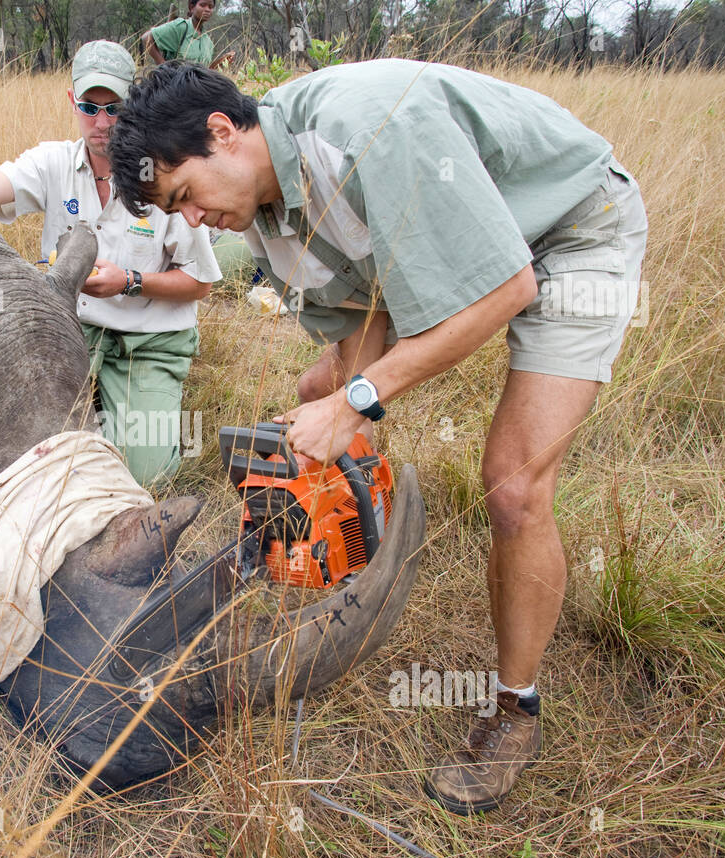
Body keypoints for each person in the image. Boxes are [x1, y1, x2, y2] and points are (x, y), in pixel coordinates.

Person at [108, 60, 648, 814]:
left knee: (514, 485)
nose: (192, 222)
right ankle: (350, 543)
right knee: (313, 396)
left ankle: (514, 710)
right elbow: (366, 328)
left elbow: (507, 285)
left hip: (570, 229)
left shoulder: (367, 130)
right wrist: (339, 409)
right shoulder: (266, 221)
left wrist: (357, 401)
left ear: (222, 134)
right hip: (496, 253)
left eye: (184, 197)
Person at [0, 41, 220, 487]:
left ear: (132, 106)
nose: (102, 122)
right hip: (71, 327)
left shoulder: (162, 169)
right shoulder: (53, 162)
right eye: (90, 107)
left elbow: (199, 282)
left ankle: (142, 407)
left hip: (148, 339)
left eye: (114, 109)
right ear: (73, 102)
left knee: (141, 476)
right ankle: (94, 409)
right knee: (13, 441)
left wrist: (128, 282)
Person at [143, 0, 234, 69]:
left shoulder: (208, 42)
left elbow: (205, 72)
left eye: (210, 7)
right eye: (202, 5)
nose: (207, 9)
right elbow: (146, 38)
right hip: (172, 89)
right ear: (192, 7)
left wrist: (221, 62)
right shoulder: (181, 27)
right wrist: (164, 69)